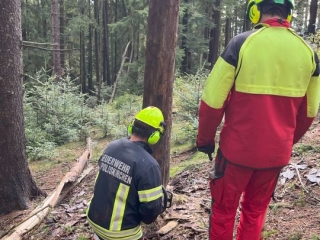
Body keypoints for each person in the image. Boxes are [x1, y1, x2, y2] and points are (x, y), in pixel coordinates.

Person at [196, 0, 320, 239]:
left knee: (223, 211)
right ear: (289, 14)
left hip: (235, 154)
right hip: (275, 155)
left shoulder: (241, 43)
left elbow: (211, 102)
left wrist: (205, 140)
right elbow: (309, 112)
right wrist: (285, 141)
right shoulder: (308, 53)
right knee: (255, 211)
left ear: (254, 10)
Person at [87, 106, 167, 240]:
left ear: (132, 126)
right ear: (155, 135)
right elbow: (150, 213)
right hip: (121, 233)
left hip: (94, 220)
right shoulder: (149, 165)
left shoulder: (112, 146)